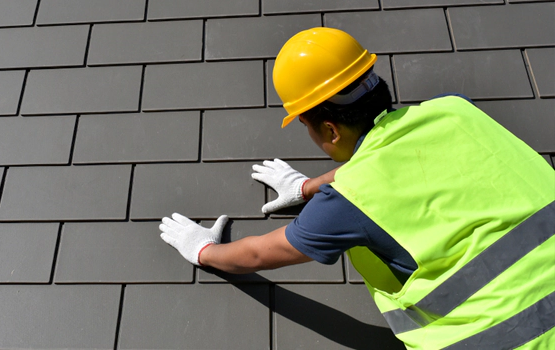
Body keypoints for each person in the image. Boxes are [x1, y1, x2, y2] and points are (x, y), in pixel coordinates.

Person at [159, 27, 554, 349]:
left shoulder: (348, 202)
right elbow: (405, 157)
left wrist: (204, 249)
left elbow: (262, 253)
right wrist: (306, 188)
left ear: (329, 129)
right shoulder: (454, 110)